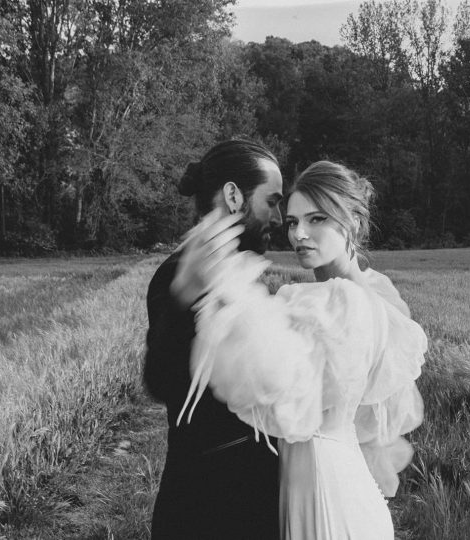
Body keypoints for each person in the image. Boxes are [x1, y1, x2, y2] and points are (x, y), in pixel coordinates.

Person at [176, 161, 427, 539]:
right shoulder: (370, 291)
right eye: (292, 222)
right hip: (323, 477)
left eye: (317, 219)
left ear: (352, 224)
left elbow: (280, 380)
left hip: (328, 492)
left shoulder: (344, 302)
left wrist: (223, 282)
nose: (299, 235)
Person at [143, 138, 284, 540]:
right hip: (208, 504)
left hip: (250, 491)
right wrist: (185, 295)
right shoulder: (178, 273)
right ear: (233, 195)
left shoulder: (241, 269)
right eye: (271, 201)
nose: (279, 217)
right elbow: (162, 380)